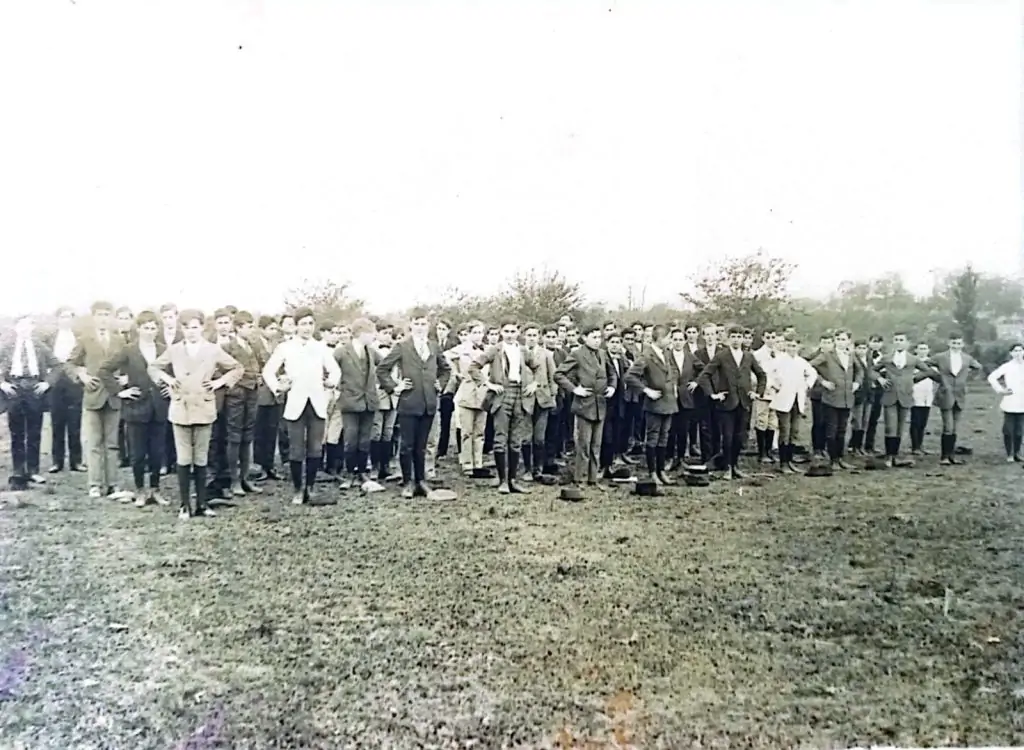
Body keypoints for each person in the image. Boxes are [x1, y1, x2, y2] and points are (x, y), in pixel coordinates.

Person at [148, 309, 243, 519]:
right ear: (181, 329)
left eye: (195, 327)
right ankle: (184, 505)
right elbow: (153, 368)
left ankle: (201, 503)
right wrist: (168, 380)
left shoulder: (212, 349)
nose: (191, 331)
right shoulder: (174, 350)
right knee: (184, 458)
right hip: (180, 408)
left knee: (201, 457)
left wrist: (219, 382)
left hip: (204, 407)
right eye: (186, 328)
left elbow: (237, 368)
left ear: (202, 327)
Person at [261, 308, 341, 505]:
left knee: (315, 448)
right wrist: (278, 387)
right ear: (296, 326)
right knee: (296, 449)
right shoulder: (285, 347)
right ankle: (298, 489)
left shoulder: (321, 348)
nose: (307, 328)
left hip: (317, 403)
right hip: (295, 403)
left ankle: (310, 488)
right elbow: (268, 371)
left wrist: (331, 382)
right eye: (303, 324)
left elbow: (335, 371)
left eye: (310, 324)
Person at [376, 312, 452, 499]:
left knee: (422, 446)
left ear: (428, 326)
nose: (420, 327)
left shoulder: (433, 346)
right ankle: (408, 481)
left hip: (429, 402)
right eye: (417, 323)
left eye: (423, 324)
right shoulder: (402, 346)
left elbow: (445, 369)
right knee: (407, 445)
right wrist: (395, 387)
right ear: (411, 325)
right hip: (409, 402)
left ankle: (421, 481)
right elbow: (382, 369)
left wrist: (440, 384)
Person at [98, 310, 169, 507]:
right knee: (138, 455)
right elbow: (104, 370)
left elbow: (173, 372)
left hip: (159, 408)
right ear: (138, 329)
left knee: (157, 452)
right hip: (136, 407)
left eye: (153, 328)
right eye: (146, 328)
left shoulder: (164, 349)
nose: (150, 332)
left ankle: (155, 489)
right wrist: (120, 392)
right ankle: (140, 491)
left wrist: (170, 389)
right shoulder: (129, 350)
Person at [66, 301, 128, 499]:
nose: (103, 319)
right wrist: (82, 375)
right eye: (99, 315)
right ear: (93, 317)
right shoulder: (85, 339)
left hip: (113, 397)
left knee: (112, 443)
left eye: (107, 315)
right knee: (93, 443)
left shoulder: (119, 340)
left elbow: (128, 363)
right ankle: (94, 484)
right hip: (92, 396)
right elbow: (70, 364)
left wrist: (126, 378)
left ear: (111, 318)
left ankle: (113, 484)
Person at [469, 318, 538, 494]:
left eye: (513, 331)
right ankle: (503, 481)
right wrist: (488, 384)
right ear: (501, 332)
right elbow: (474, 367)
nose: (509, 335)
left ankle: (513, 480)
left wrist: (534, 383)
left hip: (520, 395)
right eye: (506, 331)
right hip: (501, 395)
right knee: (500, 438)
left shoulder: (523, 350)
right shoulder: (495, 350)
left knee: (516, 440)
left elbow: (537, 367)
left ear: (518, 332)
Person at [694, 326, 767, 479]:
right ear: (728, 338)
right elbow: (704, 375)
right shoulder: (722, 355)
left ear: (743, 339)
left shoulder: (748, 356)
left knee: (739, 437)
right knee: (727, 437)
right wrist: (713, 395)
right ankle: (727, 467)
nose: (736, 340)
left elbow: (761, 375)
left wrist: (757, 393)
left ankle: (735, 466)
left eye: (739, 337)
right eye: (733, 336)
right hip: (726, 403)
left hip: (744, 402)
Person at [554, 326, 617, 490]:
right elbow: (558, 374)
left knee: (596, 444)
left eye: (599, 337)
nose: (597, 340)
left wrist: (612, 387)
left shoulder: (603, 354)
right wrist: (575, 389)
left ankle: (593, 479)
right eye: (594, 337)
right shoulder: (577, 354)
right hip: (584, 405)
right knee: (583, 444)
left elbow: (612, 373)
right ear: (584, 337)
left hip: (600, 404)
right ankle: (579, 478)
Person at [0, 314, 60, 489]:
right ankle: (18, 470)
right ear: (16, 328)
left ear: (33, 327)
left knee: (34, 432)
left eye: (28, 325)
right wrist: (2, 383)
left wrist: (47, 383)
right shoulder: (7, 346)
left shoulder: (40, 346)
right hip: (14, 389)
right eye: (21, 326)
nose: (25, 329)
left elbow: (57, 366)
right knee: (16, 433)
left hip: (34, 389)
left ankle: (33, 470)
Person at [333, 317, 384, 492]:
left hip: (369, 402)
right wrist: (337, 388)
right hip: (349, 403)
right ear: (361, 333)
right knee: (350, 440)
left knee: (364, 440)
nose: (373, 336)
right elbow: (329, 370)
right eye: (371, 333)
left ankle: (362, 472)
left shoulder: (371, 351)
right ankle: (349, 473)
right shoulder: (341, 352)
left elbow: (385, 365)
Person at [624, 324, 679, 485]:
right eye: (668, 338)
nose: (670, 341)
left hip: (668, 402)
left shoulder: (666, 353)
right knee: (653, 438)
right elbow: (630, 376)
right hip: (654, 404)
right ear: (660, 338)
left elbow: (673, 371)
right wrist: (646, 390)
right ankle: (652, 472)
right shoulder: (646, 355)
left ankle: (661, 471)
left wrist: (673, 386)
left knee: (664, 438)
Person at [926, 331, 982, 466]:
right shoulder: (941, 357)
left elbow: (978, 367)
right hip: (946, 393)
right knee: (948, 427)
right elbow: (925, 365)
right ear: (949, 343)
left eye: (958, 343)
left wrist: (966, 378)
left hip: (960, 395)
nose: (956, 345)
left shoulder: (967, 358)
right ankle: (944, 456)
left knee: (955, 428)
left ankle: (952, 456)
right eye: (953, 343)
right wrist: (937, 377)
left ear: (962, 344)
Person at [767, 334, 817, 473]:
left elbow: (813, 373)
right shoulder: (779, 360)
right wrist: (774, 385)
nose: (791, 348)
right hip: (783, 400)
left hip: (797, 400)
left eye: (794, 346)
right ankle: (783, 463)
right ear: (785, 346)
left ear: (799, 347)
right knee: (785, 430)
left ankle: (789, 461)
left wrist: (806, 385)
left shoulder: (801, 362)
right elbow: (767, 374)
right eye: (789, 345)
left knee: (794, 431)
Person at [44, 306, 84, 474]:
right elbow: (43, 359)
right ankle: (57, 462)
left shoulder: (79, 337)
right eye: (63, 317)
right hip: (56, 382)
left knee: (75, 423)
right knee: (57, 423)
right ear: (57, 319)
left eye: (69, 317)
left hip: (74, 382)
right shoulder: (49, 338)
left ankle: (76, 461)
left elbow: (83, 359)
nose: (66, 320)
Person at [452, 321, 491, 479]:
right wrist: (456, 373)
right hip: (467, 392)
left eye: (480, 332)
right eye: (474, 332)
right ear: (468, 334)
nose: (478, 335)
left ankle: (478, 463)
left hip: (483, 393)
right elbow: (445, 357)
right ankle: (467, 464)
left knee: (479, 431)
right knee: (466, 432)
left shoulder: (488, 350)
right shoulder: (461, 349)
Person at [988, 342, 1024, 462]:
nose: (1018, 353)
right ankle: (1009, 454)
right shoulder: (1007, 366)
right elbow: (992, 377)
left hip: (1022, 401)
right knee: (1008, 430)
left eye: (1020, 350)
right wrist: (1001, 390)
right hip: (1010, 400)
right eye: (1015, 351)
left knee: (1019, 431)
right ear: (1011, 353)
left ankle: (1017, 453)